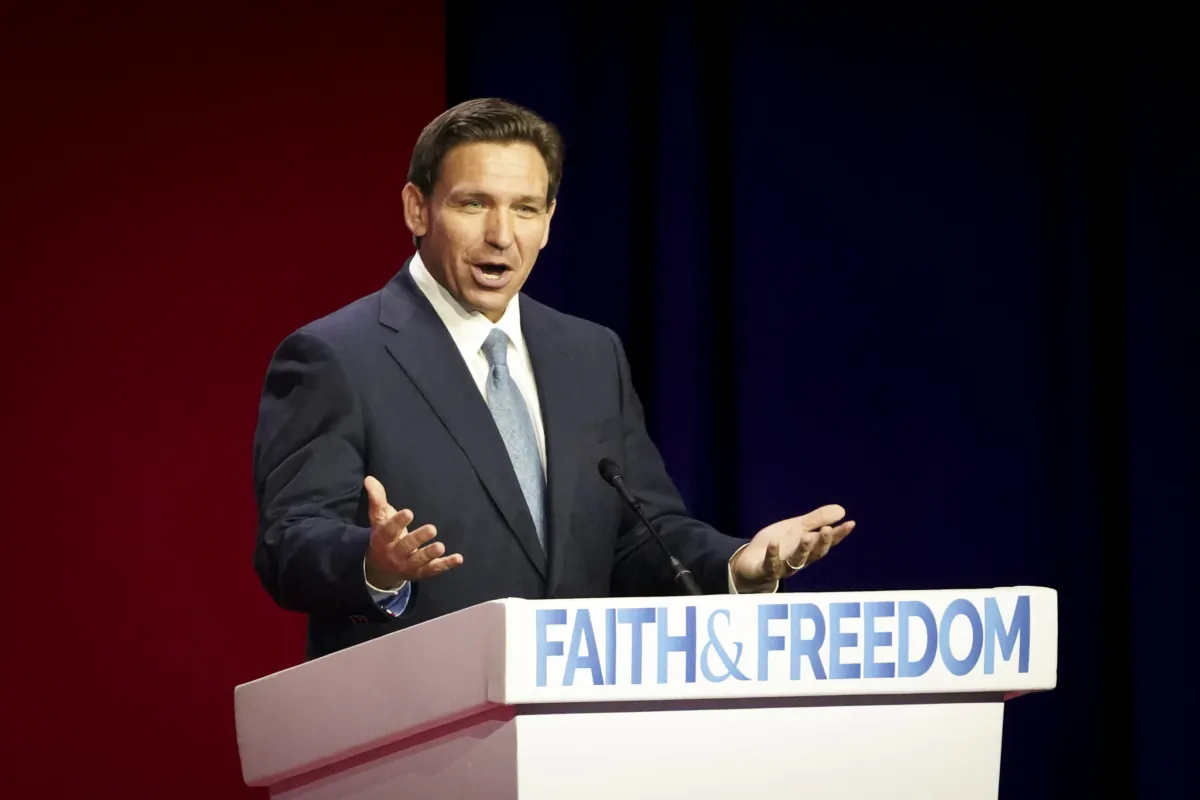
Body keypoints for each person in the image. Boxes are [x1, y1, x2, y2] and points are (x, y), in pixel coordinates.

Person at [252, 98, 855, 660]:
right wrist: (373, 561)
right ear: (417, 208)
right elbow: (288, 543)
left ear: (549, 221)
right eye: (473, 203)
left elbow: (642, 534)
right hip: (416, 724)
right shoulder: (336, 356)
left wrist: (740, 563)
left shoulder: (589, 353)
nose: (502, 234)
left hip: (571, 725)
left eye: (525, 208)